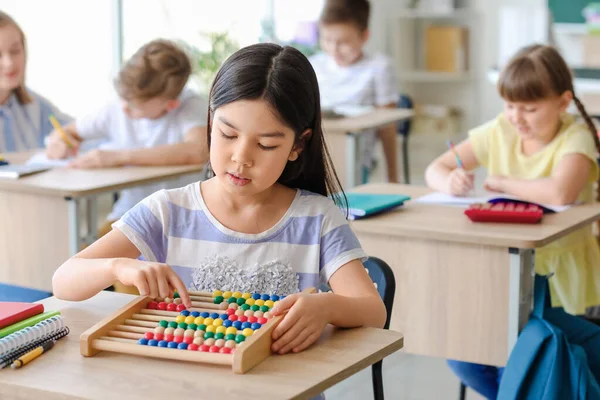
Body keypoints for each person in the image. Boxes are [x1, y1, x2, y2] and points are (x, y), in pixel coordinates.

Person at [52, 43, 387, 357]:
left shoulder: (316, 218)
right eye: (228, 135)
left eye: (266, 145)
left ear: (298, 145)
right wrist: (117, 265)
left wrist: (327, 307)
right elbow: (64, 280)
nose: (241, 158)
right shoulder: (168, 210)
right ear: (211, 123)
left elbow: (373, 310)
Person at [425, 44, 600, 399]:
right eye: (509, 106)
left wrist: (500, 182)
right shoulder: (500, 130)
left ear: (563, 102)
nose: (516, 117)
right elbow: (436, 167)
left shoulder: (576, 137)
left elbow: (561, 192)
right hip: (503, 274)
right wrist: (450, 181)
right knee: (465, 357)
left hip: (561, 283)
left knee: (525, 356)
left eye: (530, 108)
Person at [45, 39, 209, 226]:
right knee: (86, 250)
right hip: (130, 214)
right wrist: (59, 141)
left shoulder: (191, 106)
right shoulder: (120, 105)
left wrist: (119, 157)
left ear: (171, 104)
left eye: (134, 105)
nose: (124, 108)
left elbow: (198, 151)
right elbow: (68, 132)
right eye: (124, 98)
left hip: (181, 217)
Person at [310, 0, 400, 182]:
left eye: (343, 42)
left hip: (357, 156)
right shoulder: (313, 65)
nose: (334, 49)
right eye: (326, 40)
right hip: (315, 152)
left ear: (364, 37)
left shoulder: (378, 67)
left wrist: (393, 177)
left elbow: (387, 127)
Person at [0, 11, 71, 153]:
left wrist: (67, 141)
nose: (9, 63)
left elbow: (83, 134)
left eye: (15, 51)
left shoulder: (36, 107)